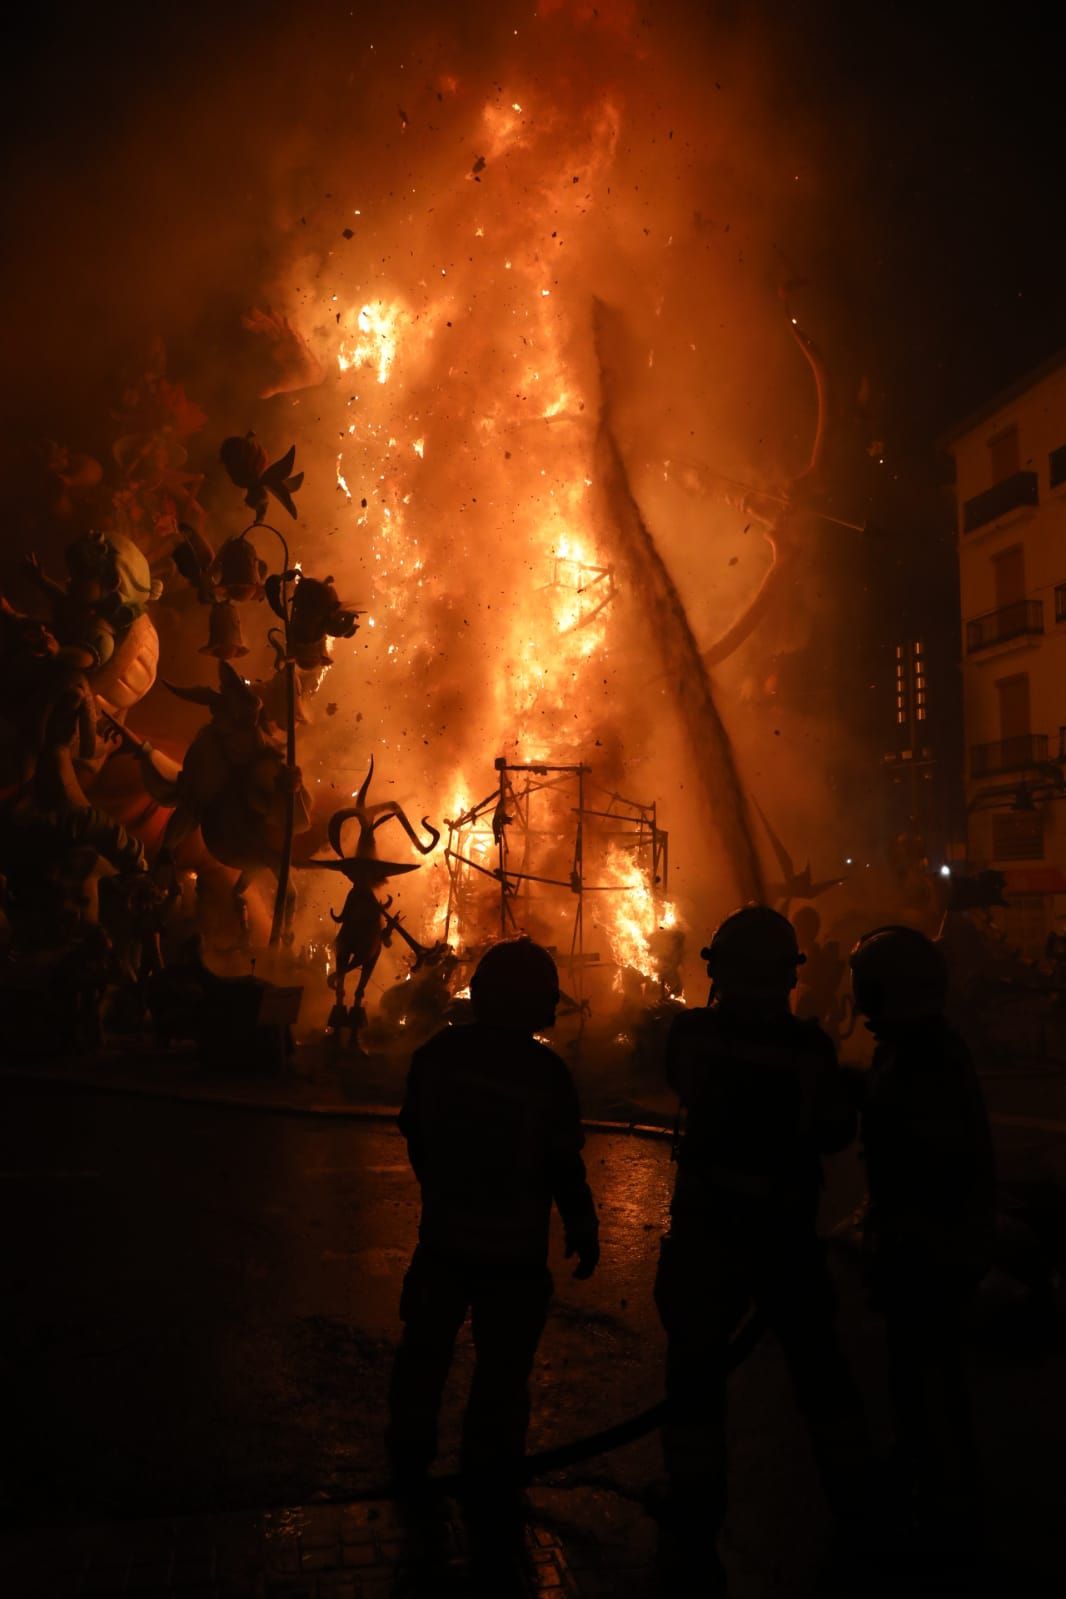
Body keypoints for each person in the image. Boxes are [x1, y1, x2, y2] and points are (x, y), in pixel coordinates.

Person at [655, 905, 870, 1595]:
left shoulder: (692, 1035)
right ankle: (855, 1502)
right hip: (784, 1234)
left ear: (717, 971)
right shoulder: (810, 1049)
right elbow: (833, 1132)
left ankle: (693, 1511)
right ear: (787, 975)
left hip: (708, 1231)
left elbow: (681, 1082)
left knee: (695, 1373)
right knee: (820, 1369)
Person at [386, 937, 599, 1570]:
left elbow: (415, 1131)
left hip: (444, 1242)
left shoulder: (438, 1056)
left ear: (479, 995)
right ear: (539, 1005)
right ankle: (489, 1473)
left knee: (424, 1353)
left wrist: (442, 1189)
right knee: (502, 1371)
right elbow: (563, 1163)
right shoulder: (546, 1074)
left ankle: (408, 1458)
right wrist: (581, 1224)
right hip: (513, 1254)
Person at [849, 925, 995, 1553]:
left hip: (931, 1248)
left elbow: (930, 1164)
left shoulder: (924, 1060)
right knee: (920, 1372)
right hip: (928, 1243)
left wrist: (900, 1239)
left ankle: (944, 1511)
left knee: (928, 1374)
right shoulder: (912, 1048)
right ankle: (931, 1480)